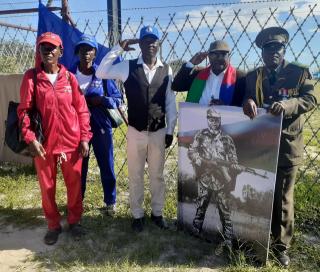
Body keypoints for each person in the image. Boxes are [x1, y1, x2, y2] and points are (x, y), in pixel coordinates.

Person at [243, 27, 317, 267]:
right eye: (268, 48)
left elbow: (311, 99)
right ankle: (258, 241)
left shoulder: (298, 72)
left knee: (283, 199)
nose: (273, 52)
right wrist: (249, 101)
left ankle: (281, 247)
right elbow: (246, 97)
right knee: (260, 194)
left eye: (278, 48)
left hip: (286, 144)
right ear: (262, 52)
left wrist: (289, 104)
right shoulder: (253, 76)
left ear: (284, 49)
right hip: (260, 144)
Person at [96, 25, 177, 232]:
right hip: (135, 132)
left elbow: (169, 102)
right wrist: (118, 48)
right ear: (139, 44)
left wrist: (170, 132)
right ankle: (137, 215)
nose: (150, 44)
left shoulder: (166, 69)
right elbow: (101, 71)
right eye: (146, 40)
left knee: (157, 175)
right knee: (135, 174)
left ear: (158, 45)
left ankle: (157, 213)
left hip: (158, 131)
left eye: (154, 41)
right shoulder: (127, 67)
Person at [17, 32, 92, 245]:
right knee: (47, 187)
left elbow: (82, 110)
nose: (48, 52)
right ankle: (53, 225)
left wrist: (84, 138)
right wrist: (30, 138)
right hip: (44, 144)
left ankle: (75, 221)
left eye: (52, 48)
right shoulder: (31, 77)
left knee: (74, 184)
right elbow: (23, 111)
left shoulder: (70, 78)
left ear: (61, 51)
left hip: (71, 143)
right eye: (43, 48)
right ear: (38, 51)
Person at [70, 34, 122, 215]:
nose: (86, 53)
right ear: (77, 52)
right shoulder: (69, 75)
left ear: (95, 53)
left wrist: (101, 100)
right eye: (82, 49)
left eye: (90, 50)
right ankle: (77, 201)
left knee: (106, 162)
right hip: (76, 127)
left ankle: (110, 201)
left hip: (100, 125)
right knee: (79, 166)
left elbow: (117, 100)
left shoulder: (103, 74)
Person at [188, 108, 241, 255]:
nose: (214, 122)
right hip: (205, 178)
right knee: (201, 206)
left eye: (216, 120)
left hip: (221, 181)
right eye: (211, 119)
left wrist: (234, 167)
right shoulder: (200, 135)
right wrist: (201, 162)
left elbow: (233, 159)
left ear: (220, 121)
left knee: (225, 210)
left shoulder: (227, 139)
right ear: (207, 119)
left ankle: (228, 240)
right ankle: (195, 231)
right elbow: (191, 151)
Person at [172, 40, 246, 106]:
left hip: (228, 121)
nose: (219, 58)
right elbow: (176, 86)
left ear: (229, 56)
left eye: (223, 54)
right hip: (197, 120)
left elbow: (245, 105)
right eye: (214, 54)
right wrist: (191, 63)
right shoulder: (198, 75)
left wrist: (226, 108)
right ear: (208, 56)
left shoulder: (240, 78)